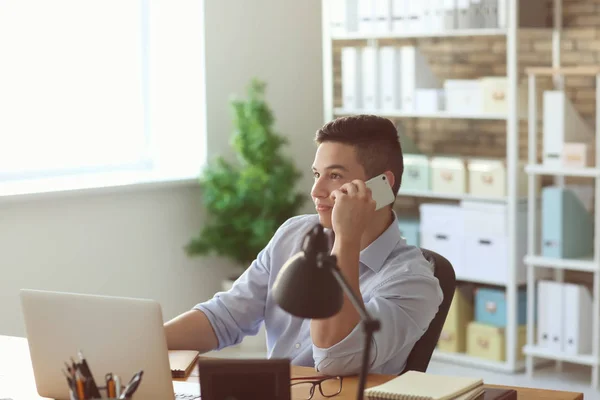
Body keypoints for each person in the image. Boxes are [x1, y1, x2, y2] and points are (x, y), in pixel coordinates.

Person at [165, 115, 443, 376]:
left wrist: (347, 239)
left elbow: (333, 358)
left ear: (381, 186)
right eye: (316, 174)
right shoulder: (295, 235)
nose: (316, 190)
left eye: (334, 176)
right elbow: (224, 317)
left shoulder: (415, 282)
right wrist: (147, 342)